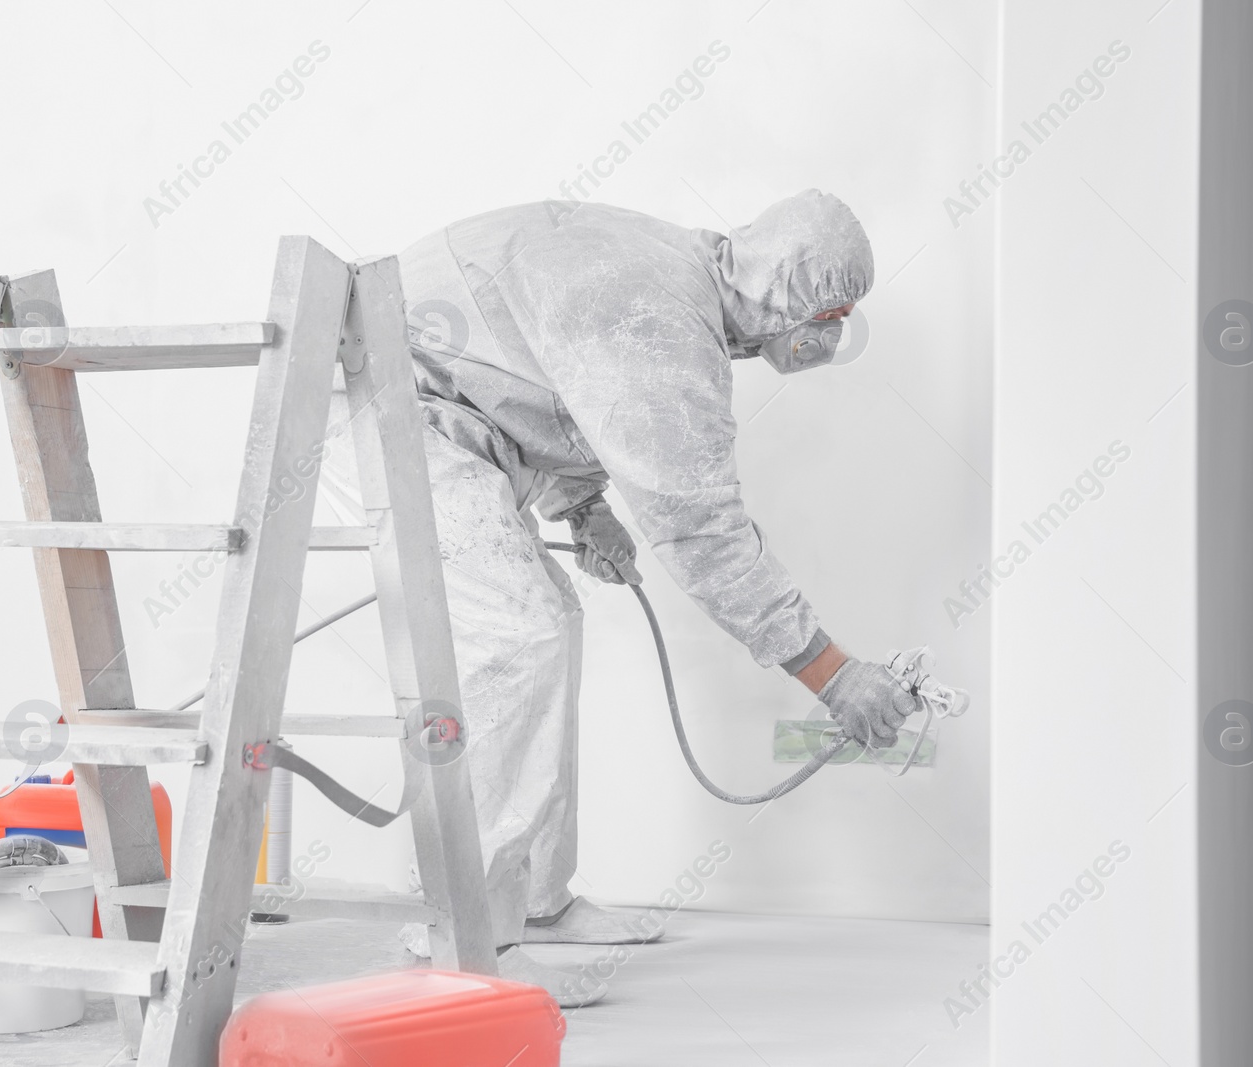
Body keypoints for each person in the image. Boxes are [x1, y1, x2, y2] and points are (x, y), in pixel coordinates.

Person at [340, 189, 919, 1005]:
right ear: (797, 296)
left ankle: (537, 900)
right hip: (396, 406)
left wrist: (585, 509)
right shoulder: (664, 317)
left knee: (552, 624)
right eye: (834, 313)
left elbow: (550, 378)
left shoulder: (676, 281)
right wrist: (835, 675)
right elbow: (703, 531)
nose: (832, 335)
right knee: (518, 637)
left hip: (447, 407)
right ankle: (467, 939)